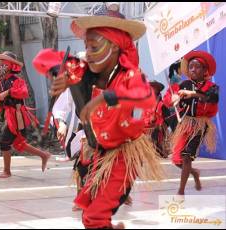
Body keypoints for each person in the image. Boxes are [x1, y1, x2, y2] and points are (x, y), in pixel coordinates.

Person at [50, 5, 164, 229]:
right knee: (88, 216)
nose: (88, 53)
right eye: (86, 46)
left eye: (94, 47)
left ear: (113, 46)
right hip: (99, 151)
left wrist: (104, 98)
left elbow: (142, 96)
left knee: (94, 217)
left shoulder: (130, 75)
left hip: (122, 155)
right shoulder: (91, 75)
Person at [0, 51, 52, 179]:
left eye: (3, 64)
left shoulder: (17, 81)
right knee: (18, 143)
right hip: (8, 115)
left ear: (10, 66)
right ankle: (44, 155)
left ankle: (7, 171)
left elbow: (23, 92)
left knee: (4, 141)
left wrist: (8, 92)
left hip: (16, 116)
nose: (0, 66)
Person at [163, 50, 219, 195]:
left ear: (205, 70)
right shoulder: (184, 84)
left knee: (187, 156)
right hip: (185, 124)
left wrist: (193, 94)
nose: (193, 69)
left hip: (200, 125)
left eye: (197, 67)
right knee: (177, 159)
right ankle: (194, 173)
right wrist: (173, 98)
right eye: (191, 67)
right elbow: (169, 98)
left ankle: (180, 191)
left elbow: (211, 98)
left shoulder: (211, 87)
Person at [144, 80, 171, 158]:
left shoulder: (162, 105)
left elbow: (168, 119)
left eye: (153, 88)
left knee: (155, 132)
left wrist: (160, 125)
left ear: (157, 90)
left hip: (157, 130)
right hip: (144, 129)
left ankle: (157, 149)